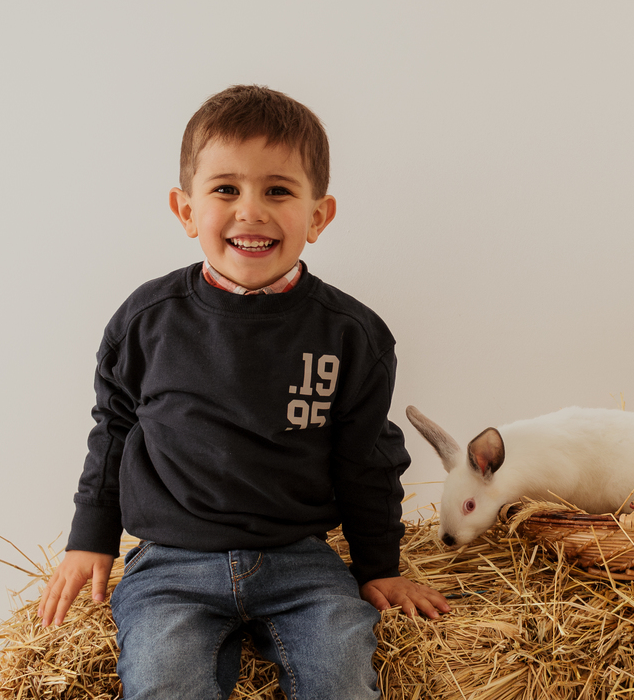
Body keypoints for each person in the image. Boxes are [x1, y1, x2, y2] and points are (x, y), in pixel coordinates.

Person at [38, 85, 449, 699]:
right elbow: (115, 428)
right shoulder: (147, 320)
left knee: (340, 677)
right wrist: (89, 537)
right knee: (164, 683)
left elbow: (366, 456)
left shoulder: (351, 334)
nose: (250, 211)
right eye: (225, 189)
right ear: (185, 210)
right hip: (170, 565)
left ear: (318, 215)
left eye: (277, 190)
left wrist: (379, 568)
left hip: (302, 564)